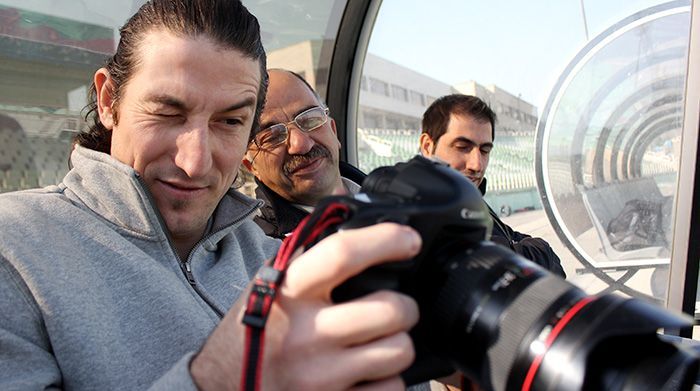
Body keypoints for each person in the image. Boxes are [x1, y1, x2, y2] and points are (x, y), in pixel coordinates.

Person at [0, 1, 421, 390]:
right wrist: (217, 377)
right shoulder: (15, 246)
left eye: (230, 121)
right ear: (109, 100)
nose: (196, 162)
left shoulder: (276, 259)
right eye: (167, 113)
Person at [419, 94, 566, 277]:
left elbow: (509, 239)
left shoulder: (466, 196)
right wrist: (541, 251)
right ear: (427, 146)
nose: (477, 165)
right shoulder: (419, 211)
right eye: (462, 147)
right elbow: (505, 264)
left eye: (484, 150)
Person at [243, 68, 365, 239]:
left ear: (333, 130)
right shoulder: (261, 253)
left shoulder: (397, 194)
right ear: (251, 167)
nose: (301, 145)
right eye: (272, 136)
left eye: (310, 119)